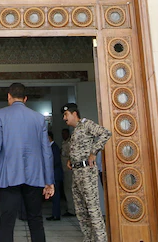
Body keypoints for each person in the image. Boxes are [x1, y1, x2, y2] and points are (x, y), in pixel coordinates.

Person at [0, 83, 54, 242]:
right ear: (25, 99)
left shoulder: (0, 115)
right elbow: (46, 151)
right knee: (36, 219)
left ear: (9, 96)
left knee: (7, 221)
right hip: (34, 176)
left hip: (9, 176)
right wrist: (49, 181)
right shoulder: (38, 118)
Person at [62, 103, 111, 242]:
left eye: (66, 115)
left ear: (74, 114)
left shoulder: (86, 124)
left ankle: (101, 239)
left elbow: (105, 133)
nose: (64, 118)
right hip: (76, 172)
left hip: (87, 173)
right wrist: (71, 159)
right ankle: (88, 238)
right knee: (81, 210)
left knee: (93, 209)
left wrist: (93, 153)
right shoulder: (75, 131)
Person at [47, 131, 67, 220]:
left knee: (56, 195)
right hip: (53, 174)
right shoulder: (51, 147)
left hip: (55, 174)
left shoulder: (54, 147)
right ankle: (54, 213)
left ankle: (56, 215)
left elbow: (55, 162)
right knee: (54, 196)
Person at [60, 128, 76, 216]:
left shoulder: (70, 143)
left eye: (64, 133)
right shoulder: (64, 142)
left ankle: (71, 210)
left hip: (69, 170)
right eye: (62, 134)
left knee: (69, 190)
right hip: (64, 170)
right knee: (67, 189)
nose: (63, 135)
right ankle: (71, 208)